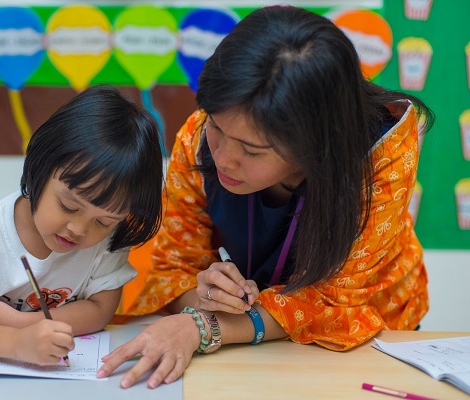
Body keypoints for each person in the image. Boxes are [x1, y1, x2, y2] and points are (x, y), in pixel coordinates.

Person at [96, 5, 434, 389]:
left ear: (316, 146)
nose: (222, 157)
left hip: (369, 345)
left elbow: (335, 303)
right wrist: (204, 293)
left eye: (252, 151)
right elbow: (173, 270)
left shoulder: (380, 159)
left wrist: (202, 326)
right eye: (216, 126)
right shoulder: (198, 137)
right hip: (248, 337)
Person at [0, 85, 163, 366]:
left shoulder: (108, 242)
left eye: (103, 222)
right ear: (41, 169)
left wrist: (21, 322)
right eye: (69, 207)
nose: (79, 229)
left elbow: (100, 310)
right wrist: (18, 344)